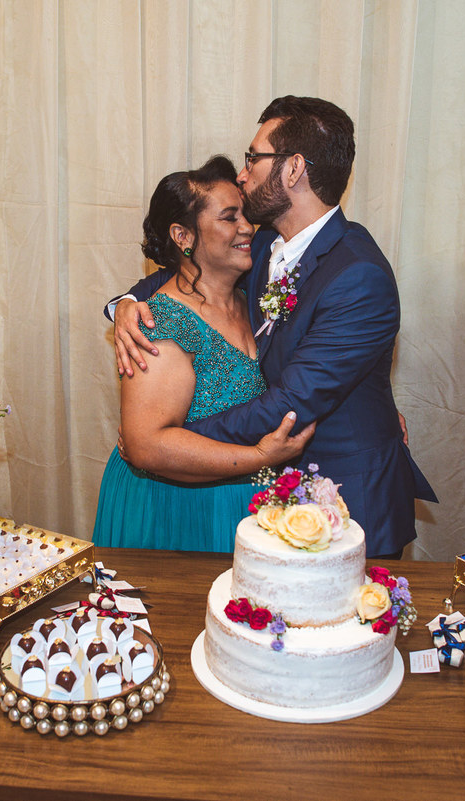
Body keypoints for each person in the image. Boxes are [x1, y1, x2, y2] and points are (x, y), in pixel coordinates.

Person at [110, 96, 436, 558]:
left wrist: (166, 441)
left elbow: (290, 403)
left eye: (253, 158)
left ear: (292, 169)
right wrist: (127, 302)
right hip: (270, 501)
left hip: (349, 505)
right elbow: (187, 266)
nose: (243, 175)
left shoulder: (357, 274)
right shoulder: (264, 245)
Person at [93, 156, 314, 552]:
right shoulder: (156, 322)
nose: (248, 227)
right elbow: (147, 446)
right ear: (183, 236)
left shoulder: (253, 301)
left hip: (247, 506)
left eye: (246, 215)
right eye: (230, 218)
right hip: (176, 509)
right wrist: (260, 456)